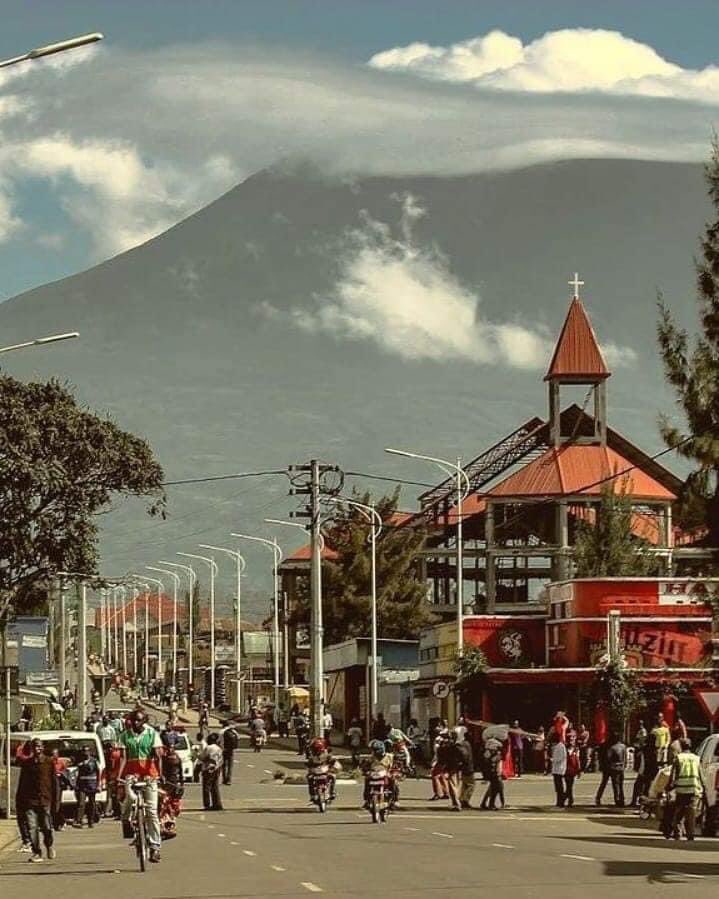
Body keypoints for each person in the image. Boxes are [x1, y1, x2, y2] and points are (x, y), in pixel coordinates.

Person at [118, 710, 164, 864]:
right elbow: (123, 757)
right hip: (131, 774)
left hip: (149, 775)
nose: (136, 723)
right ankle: (127, 822)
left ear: (144, 721)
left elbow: (157, 756)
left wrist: (160, 774)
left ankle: (155, 846)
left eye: (139, 721)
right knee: (129, 799)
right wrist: (119, 776)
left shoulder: (152, 734)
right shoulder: (125, 736)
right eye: (134, 720)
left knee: (151, 811)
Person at [15, 739, 58, 862]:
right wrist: (20, 800)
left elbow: (55, 783)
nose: (37, 749)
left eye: (39, 746)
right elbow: (22, 783)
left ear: (43, 748)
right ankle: (37, 852)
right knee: (32, 827)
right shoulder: (27, 764)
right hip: (30, 801)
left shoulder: (49, 762)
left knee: (46, 826)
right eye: (34, 747)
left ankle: (49, 845)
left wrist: (56, 801)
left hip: (45, 800)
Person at [668, 737, 703, 841]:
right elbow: (701, 775)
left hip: (681, 790)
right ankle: (690, 834)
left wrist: (670, 787)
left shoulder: (678, 758)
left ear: (681, 747)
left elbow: (673, 776)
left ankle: (678, 833)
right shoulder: (696, 758)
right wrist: (703, 788)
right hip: (693, 789)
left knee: (679, 812)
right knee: (691, 813)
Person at [447, 727, 475, 811]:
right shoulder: (465, 744)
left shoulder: (458, 745)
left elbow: (464, 756)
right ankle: (462, 800)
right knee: (467, 784)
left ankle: (458, 802)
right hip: (464, 767)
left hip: (457, 767)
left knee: (455, 785)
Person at [305, 737, 339, 802]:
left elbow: (331, 760)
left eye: (318, 748)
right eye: (315, 749)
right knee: (309, 778)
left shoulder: (326, 754)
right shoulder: (311, 756)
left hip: (325, 770)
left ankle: (332, 792)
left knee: (333, 776)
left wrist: (332, 764)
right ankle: (312, 795)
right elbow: (309, 763)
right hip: (315, 771)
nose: (317, 750)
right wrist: (309, 767)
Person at [480, 734, 505, 810]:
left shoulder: (490, 752)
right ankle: (491, 804)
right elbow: (495, 764)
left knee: (493, 789)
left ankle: (485, 803)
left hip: (493, 773)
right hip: (494, 774)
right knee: (495, 789)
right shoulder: (492, 753)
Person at [200, 733, 224, 811]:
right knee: (215, 787)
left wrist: (196, 754)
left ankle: (207, 805)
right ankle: (217, 804)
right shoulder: (219, 748)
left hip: (208, 769)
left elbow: (202, 757)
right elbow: (221, 760)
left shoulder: (208, 748)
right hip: (216, 769)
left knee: (206, 787)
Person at [430, 728, 450, 801]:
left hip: (440, 761)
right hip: (445, 762)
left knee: (435, 776)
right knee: (442, 776)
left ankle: (437, 793)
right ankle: (446, 792)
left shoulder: (439, 742)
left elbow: (436, 752)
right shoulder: (448, 742)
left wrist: (434, 762)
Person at [564, 732, 581, 808]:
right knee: (569, 786)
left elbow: (578, 760)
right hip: (566, 769)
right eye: (570, 740)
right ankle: (569, 800)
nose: (571, 741)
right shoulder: (564, 748)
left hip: (573, 770)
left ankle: (566, 799)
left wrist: (579, 770)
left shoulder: (576, 749)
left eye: (572, 739)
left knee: (570, 786)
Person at [550, 738, 567, 807]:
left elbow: (560, 758)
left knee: (559, 787)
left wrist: (552, 759)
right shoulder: (557, 746)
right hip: (556, 769)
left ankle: (561, 801)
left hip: (559, 769)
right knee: (557, 787)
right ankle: (559, 801)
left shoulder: (560, 747)